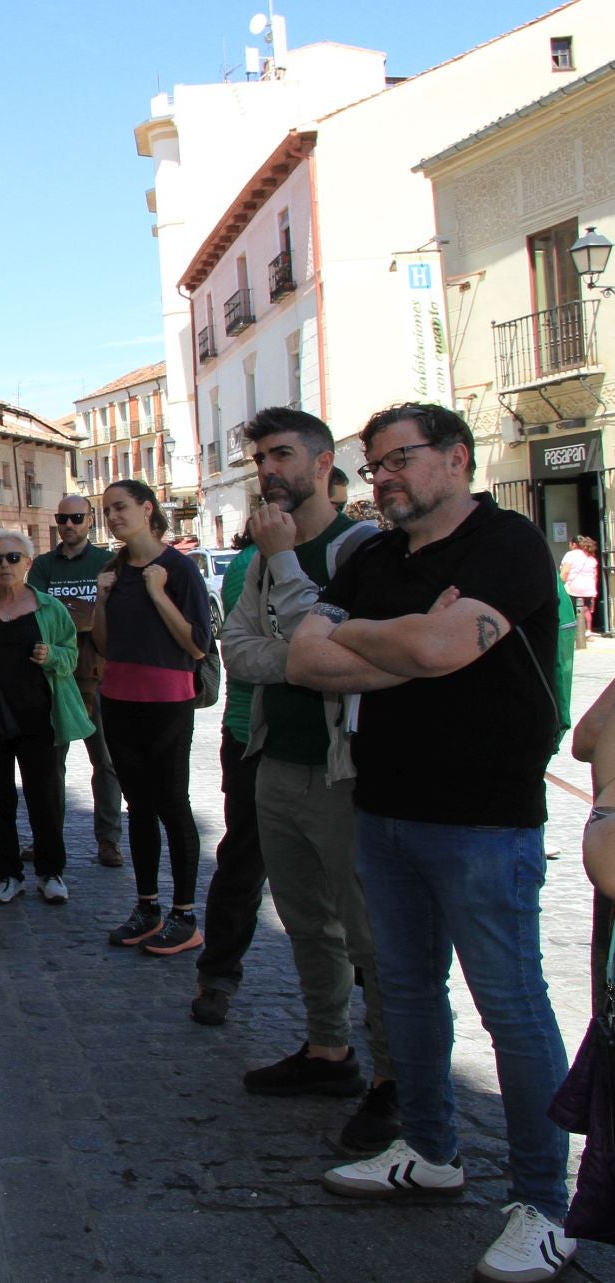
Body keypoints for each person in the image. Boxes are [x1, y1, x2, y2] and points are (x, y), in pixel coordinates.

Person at [289, 403, 573, 1283]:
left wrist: (382, 642)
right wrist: (405, 642)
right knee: (407, 993)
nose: (384, 478)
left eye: (399, 460)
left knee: (511, 1008)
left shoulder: (509, 542)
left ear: (456, 458)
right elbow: (304, 657)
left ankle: (543, 1205)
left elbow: (449, 647)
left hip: (485, 818)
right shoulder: (372, 554)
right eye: (375, 466)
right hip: (387, 807)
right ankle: (430, 1148)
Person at [220, 407, 395, 1154]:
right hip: (275, 759)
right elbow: (240, 650)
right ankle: (329, 1050)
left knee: (371, 933)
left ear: (325, 462)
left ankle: (396, 1078)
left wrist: (288, 575)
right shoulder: (263, 550)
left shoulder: (362, 548)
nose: (268, 470)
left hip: (342, 770)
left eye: (282, 454)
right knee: (303, 919)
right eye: (260, 457)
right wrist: (294, 652)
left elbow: (322, 655)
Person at [94, 478, 214, 955]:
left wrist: (159, 593)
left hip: (167, 700)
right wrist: (102, 598)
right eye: (107, 510)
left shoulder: (179, 570)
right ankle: (147, 907)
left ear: (148, 509)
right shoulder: (113, 569)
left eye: (120, 507)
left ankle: (185, 916)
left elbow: (199, 644)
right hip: (119, 698)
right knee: (138, 806)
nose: (113, 517)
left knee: (171, 803)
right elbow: (103, 645)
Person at [0, 528, 93, 905]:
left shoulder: (50, 608)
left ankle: (50, 871)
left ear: (28, 563)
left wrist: (53, 657)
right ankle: (6, 874)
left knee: (45, 796)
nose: (5, 565)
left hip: (39, 717)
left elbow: (71, 654)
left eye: (13, 558)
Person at [190, 530, 264, 1026]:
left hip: (332, 747)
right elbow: (250, 652)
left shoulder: (354, 547)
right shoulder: (249, 565)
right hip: (250, 736)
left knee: (348, 880)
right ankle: (217, 976)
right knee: (242, 863)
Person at [28, 493, 125, 868]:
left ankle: (109, 840)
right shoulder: (43, 565)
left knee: (106, 760)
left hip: (101, 675)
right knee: (50, 764)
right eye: (62, 518)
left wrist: (72, 617)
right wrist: (86, 616)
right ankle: (48, 840)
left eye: (76, 518)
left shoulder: (108, 562)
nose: (68, 525)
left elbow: (113, 616)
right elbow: (37, 614)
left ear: (89, 520)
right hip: (55, 676)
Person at [563, 534, 598, 650]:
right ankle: (588, 632)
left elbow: (565, 572)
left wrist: (560, 582)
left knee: (571, 611)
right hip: (588, 588)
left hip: (573, 587)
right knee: (586, 610)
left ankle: (574, 633)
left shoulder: (570, 555)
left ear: (573, 544)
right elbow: (595, 575)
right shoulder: (590, 557)